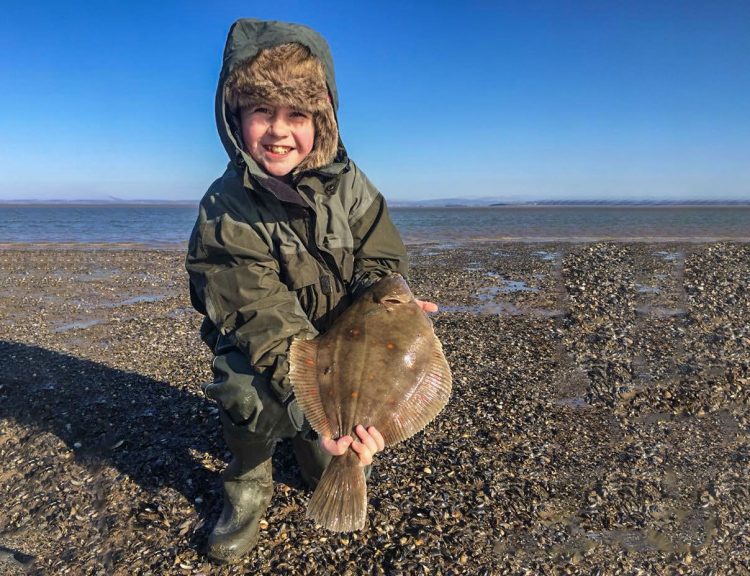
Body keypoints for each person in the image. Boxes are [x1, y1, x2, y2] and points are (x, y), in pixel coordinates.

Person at [185, 18, 436, 563]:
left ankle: (318, 450)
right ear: (235, 117)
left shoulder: (351, 183)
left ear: (320, 119)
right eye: (261, 112)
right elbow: (261, 316)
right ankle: (248, 481)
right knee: (245, 393)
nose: (279, 131)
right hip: (266, 347)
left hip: (342, 341)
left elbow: (381, 258)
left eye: (296, 115)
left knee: (335, 450)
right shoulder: (225, 209)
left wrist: (390, 298)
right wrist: (318, 408)